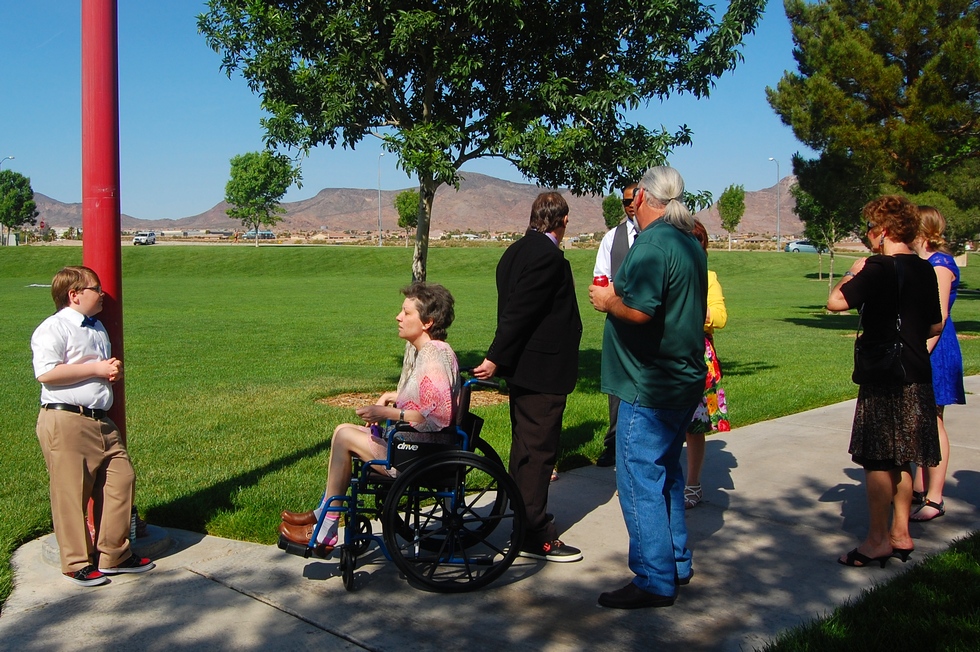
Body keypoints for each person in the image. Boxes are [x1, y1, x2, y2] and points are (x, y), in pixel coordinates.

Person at [589, 166, 707, 608]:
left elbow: (639, 311)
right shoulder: (689, 241)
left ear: (641, 197)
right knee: (667, 475)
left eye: (632, 195)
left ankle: (654, 579)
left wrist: (606, 300)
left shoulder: (655, 244)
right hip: (681, 379)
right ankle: (675, 561)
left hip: (648, 383)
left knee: (640, 479)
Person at [279, 283, 461, 555]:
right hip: (418, 446)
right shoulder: (435, 351)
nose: (398, 317)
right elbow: (426, 398)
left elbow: (437, 415)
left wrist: (386, 413)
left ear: (428, 322)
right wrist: (392, 395)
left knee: (344, 435)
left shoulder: (433, 356)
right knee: (343, 429)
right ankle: (323, 514)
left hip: (419, 456)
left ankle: (326, 526)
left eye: (406, 313)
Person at [827, 195, 942, 568]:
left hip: (883, 377)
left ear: (885, 231)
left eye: (871, 229)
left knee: (877, 460)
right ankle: (901, 533)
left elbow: (836, 303)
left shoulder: (875, 267)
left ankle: (877, 540)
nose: (868, 235)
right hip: (916, 374)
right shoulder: (925, 269)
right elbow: (936, 324)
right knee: (903, 457)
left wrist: (852, 271)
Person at [473, 191, 584, 563]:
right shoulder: (547, 257)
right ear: (562, 220)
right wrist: (494, 357)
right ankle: (534, 532)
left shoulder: (514, 252)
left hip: (526, 370)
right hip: (542, 372)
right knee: (538, 453)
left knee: (524, 449)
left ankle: (520, 519)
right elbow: (519, 312)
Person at [31, 266, 155, 587]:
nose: (102, 294)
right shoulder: (53, 328)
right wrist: (98, 368)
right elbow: (46, 373)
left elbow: (95, 372)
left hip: (101, 420)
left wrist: (111, 372)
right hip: (65, 419)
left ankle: (114, 554)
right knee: (71, 492)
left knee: (122, 477)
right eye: (95, 289)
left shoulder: (97, 327)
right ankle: (76, 563)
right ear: (74, 295)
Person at [910, 206, 965, 522]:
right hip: (923, 344)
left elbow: (940, 317)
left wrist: (921, 352)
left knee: (933, 420)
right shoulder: (924, 263)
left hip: (936, 348)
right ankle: (920, 486)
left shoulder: (940, 264)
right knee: (921, 418)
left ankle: (934, 498)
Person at [684, 220, 729, 509]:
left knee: (695, 425)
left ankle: (693, 484)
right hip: (667, 354)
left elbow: (721, 317)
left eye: (697, 242)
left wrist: (692, 311)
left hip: (699, 355)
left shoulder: (708, 277)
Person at [593, 183, 639, 467]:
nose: (629, 206)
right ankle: (613, 443)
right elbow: (601, 279)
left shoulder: (659, 237)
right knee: (617, 387)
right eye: (624, 202)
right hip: (620, 323)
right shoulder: (613, 238)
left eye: (632, 200)